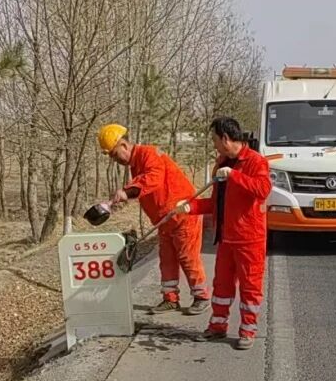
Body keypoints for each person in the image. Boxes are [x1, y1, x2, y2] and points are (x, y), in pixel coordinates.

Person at [175, 117, 270, 350]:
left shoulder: (255, 161)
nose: (214, 145)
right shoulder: (221, 165)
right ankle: (217, 326)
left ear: (226, 138)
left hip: (249, 239)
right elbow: (217, 203)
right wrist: (191, 207)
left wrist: (234, 176)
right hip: (226, 238)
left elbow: (263, 189)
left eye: (215, 140)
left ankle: (248, 330)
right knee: (222, 286)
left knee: (250, 287)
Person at [97, 123, 210, 315]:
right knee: (167, 258)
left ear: (124, 145)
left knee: (187, 257)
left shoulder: (148, 154)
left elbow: (153, 179)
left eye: (115, 155)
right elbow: (146, 189)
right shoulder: (136, 163)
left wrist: (127, 192)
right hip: (164, 219)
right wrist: (123, 197)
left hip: (183, 213)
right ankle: (170, 298)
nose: (116, 160)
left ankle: (201, 296)